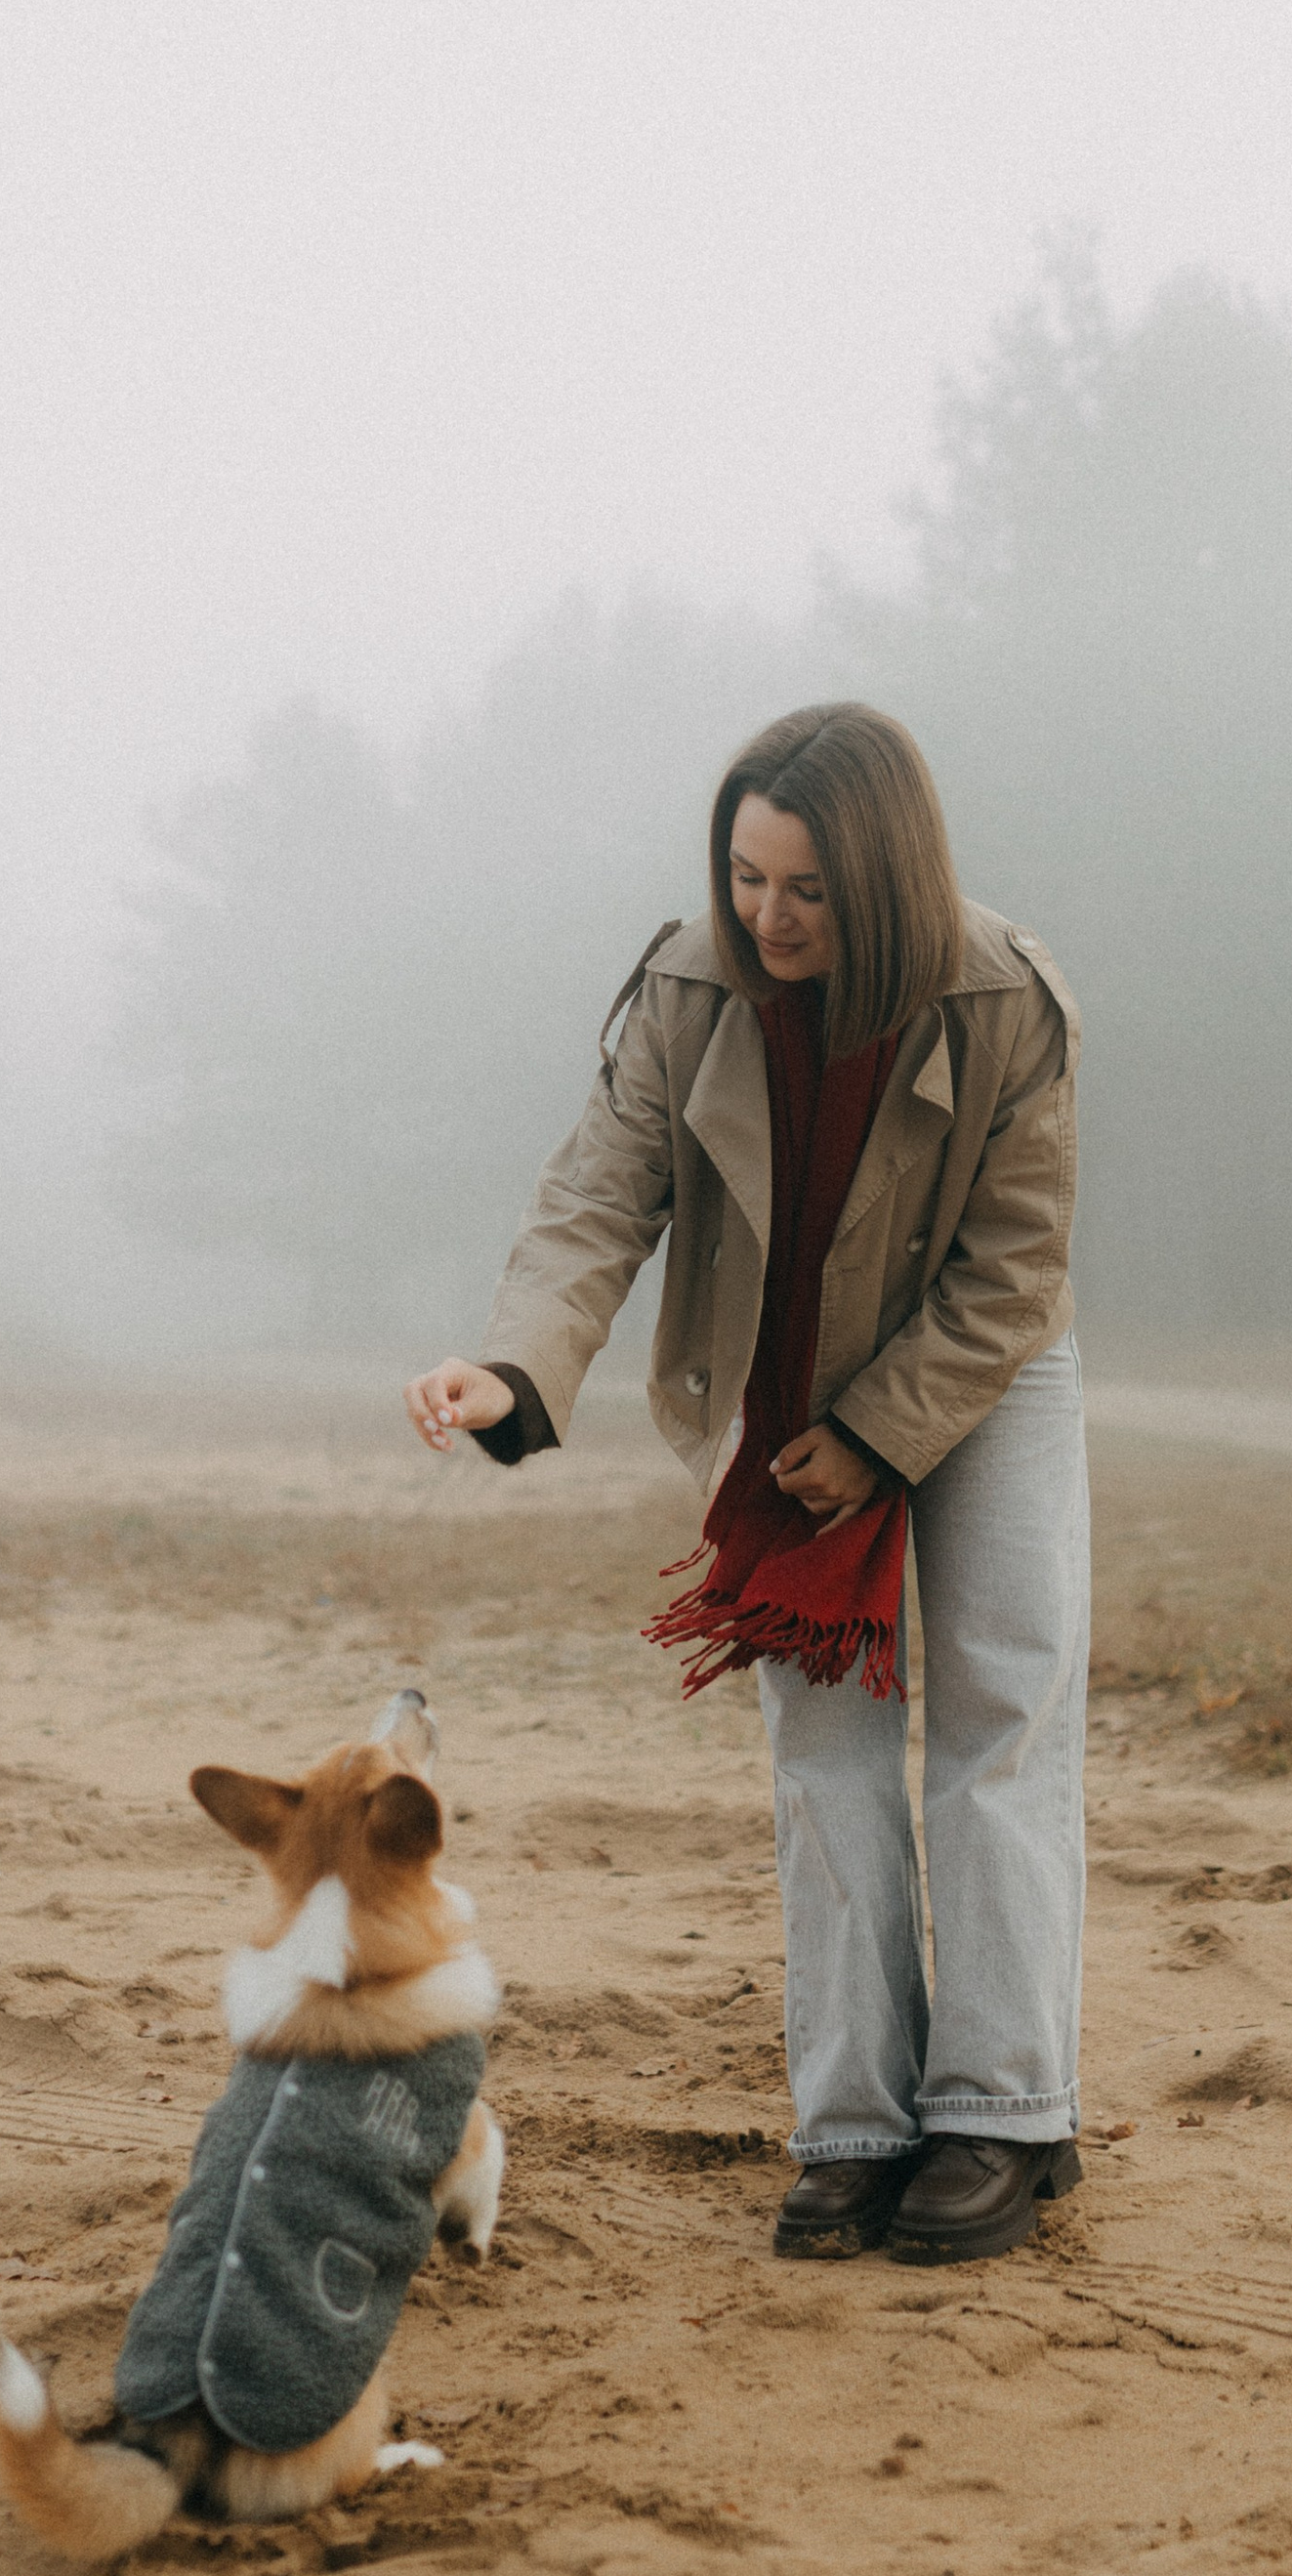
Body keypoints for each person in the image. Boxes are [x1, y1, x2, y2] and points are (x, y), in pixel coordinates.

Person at [403, 700, 1088, 2265]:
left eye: (807, 890)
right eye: (746, 876)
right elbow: (598, 1196)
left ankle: (1001, 2117)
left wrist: (880, 1434)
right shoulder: (686, 984)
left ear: (886, 882)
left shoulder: (1008, 1001)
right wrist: (512, 1375)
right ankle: (856, 2130)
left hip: (982, 1359)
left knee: (1001, 1707)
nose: (766, 917)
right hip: (788, 1365)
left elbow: (1014, 1266)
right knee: (822, 1742)